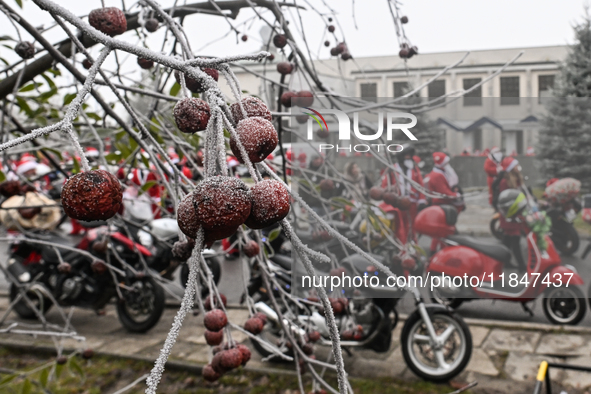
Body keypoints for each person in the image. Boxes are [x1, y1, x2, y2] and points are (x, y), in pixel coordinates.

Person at [380, 146, 426, 239]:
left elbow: (420, 185)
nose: (408, 157)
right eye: (405, 155)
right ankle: (402, 247)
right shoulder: (392, 168)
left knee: (412, 226)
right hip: (397, 203)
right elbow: (385, 185)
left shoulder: (414, 169)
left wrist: (422, 200)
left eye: (409, 155)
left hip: (411, 202)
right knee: (399, 226)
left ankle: (413, 246)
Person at [497, 189, 529, 272]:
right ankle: (521, 266)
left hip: (508, 218)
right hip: (512, 220)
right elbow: (512, 203)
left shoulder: (506, 183)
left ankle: (504, 263)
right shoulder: (508, 185)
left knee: (506, 243)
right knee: (515, 246)